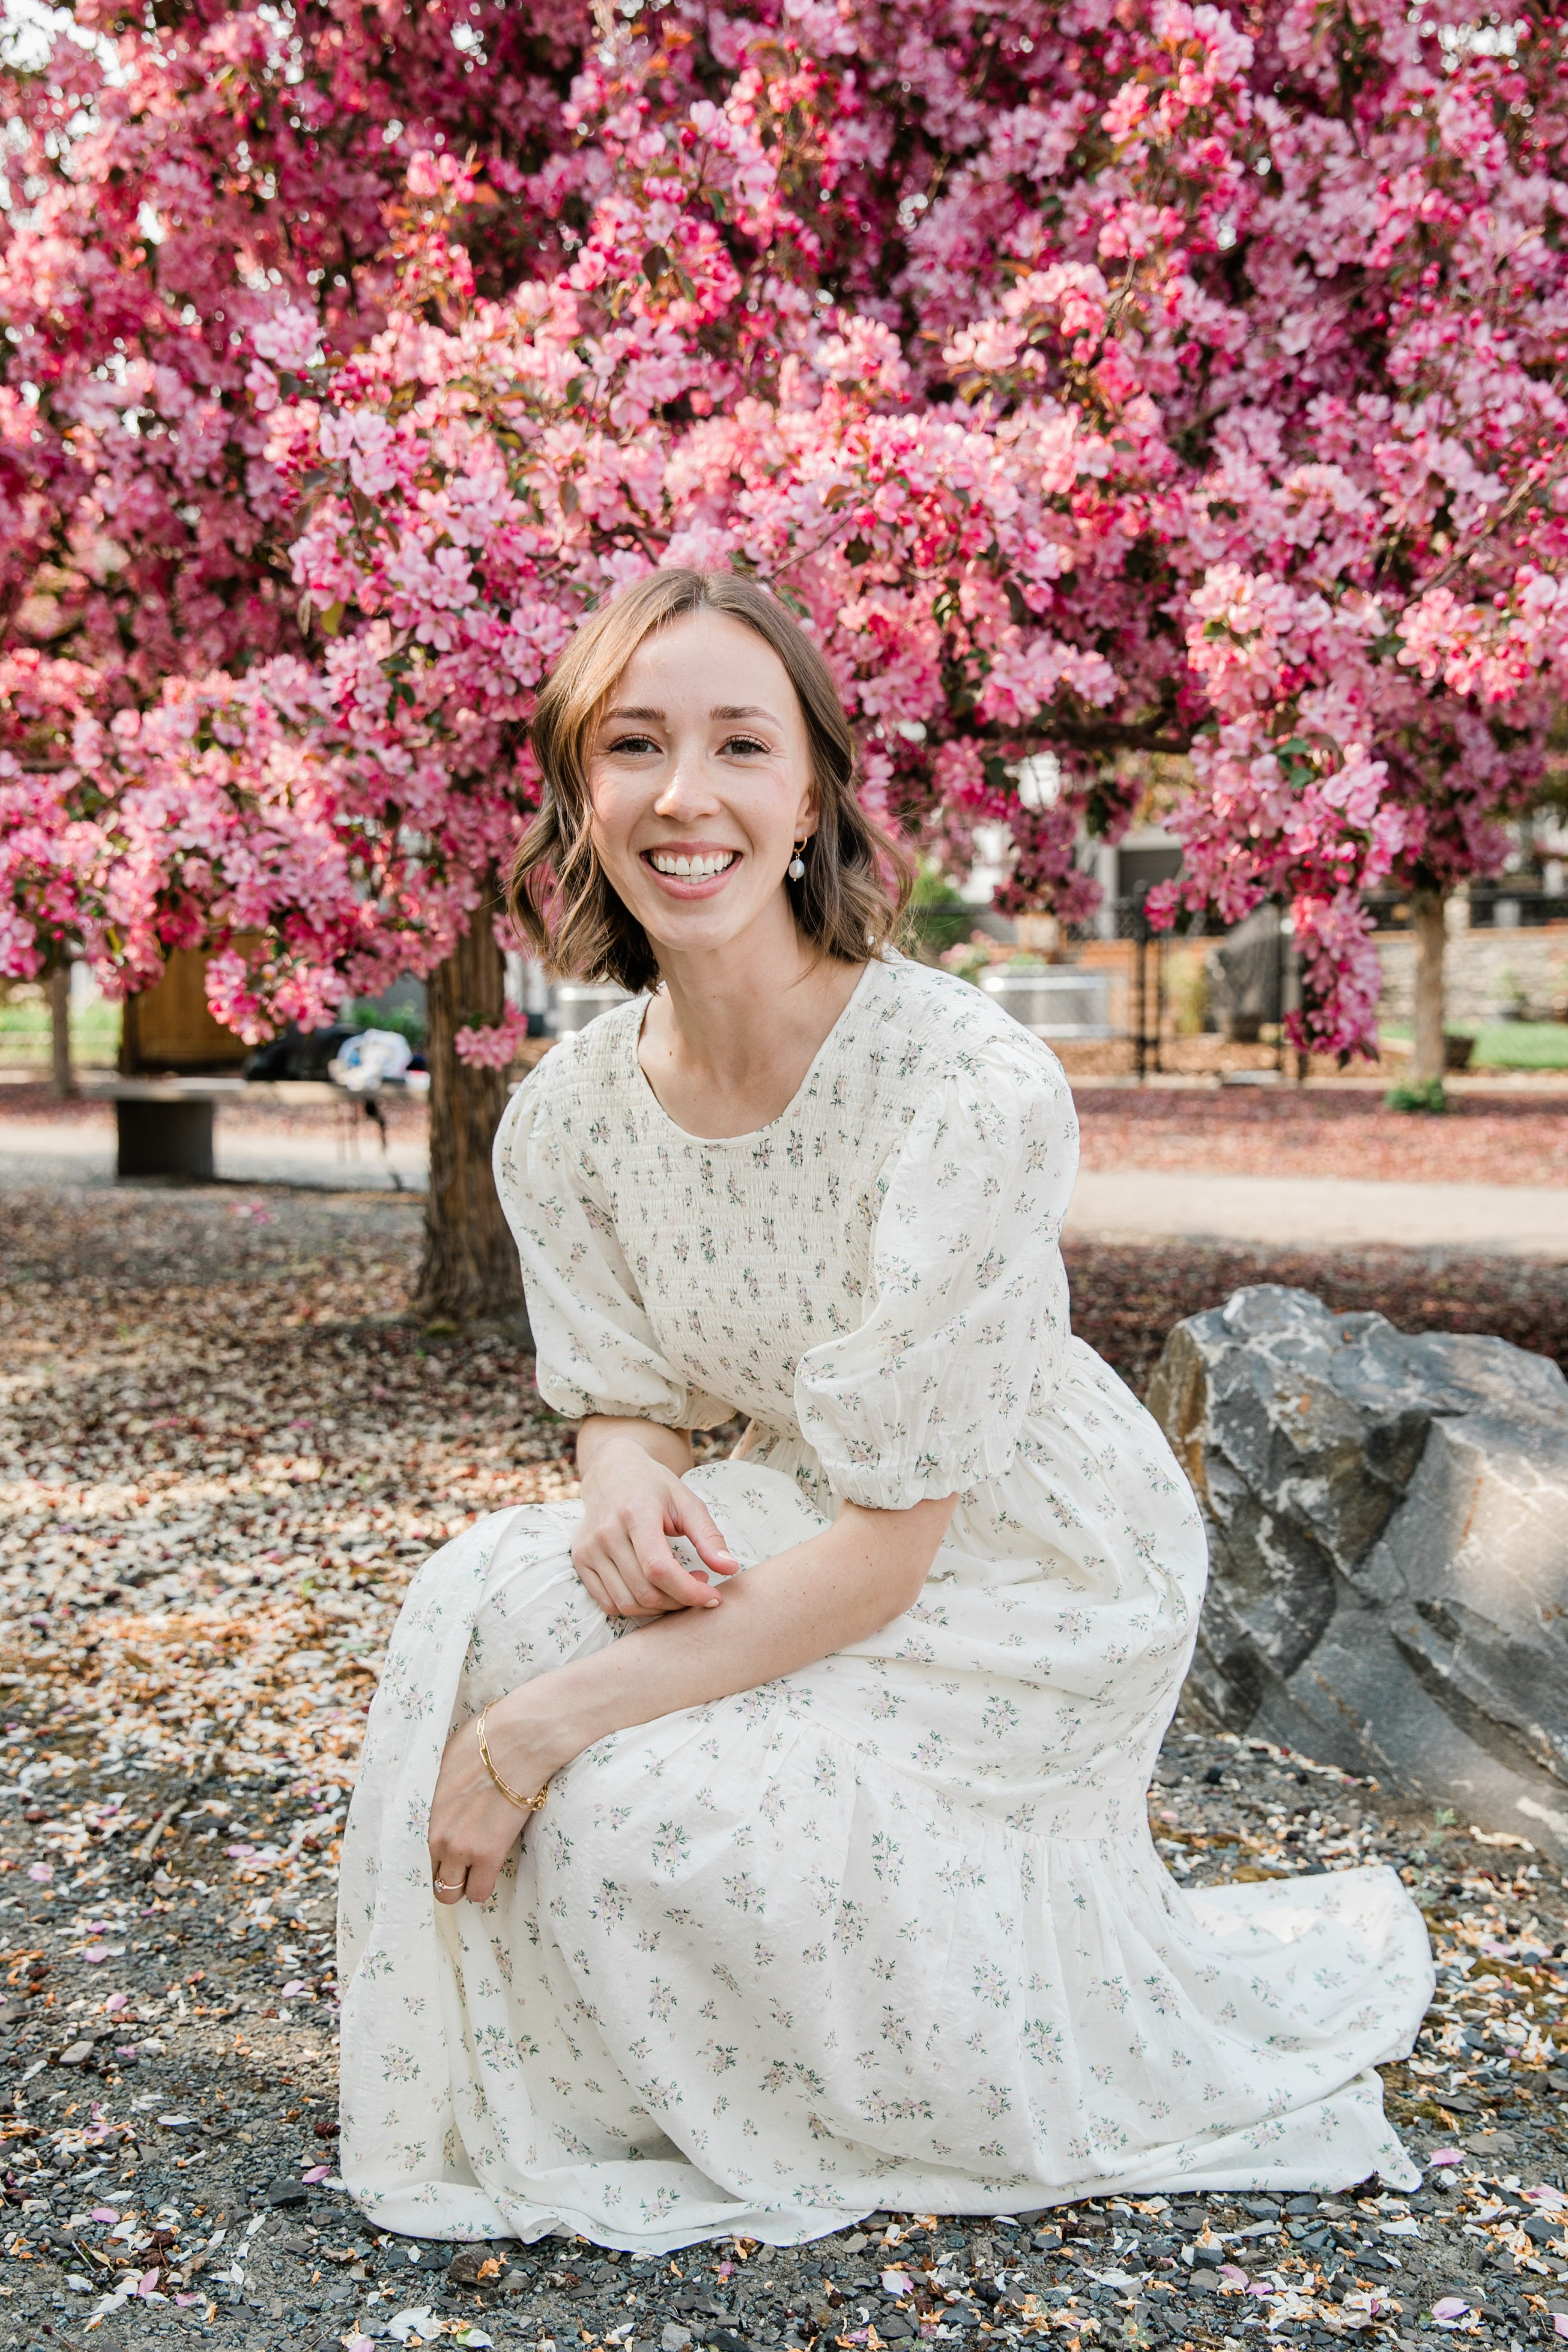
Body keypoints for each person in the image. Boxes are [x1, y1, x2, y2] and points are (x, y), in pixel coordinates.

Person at [337, 568, 1431, 2254]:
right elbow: (627, 1395)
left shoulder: (963, 1085)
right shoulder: (563, 1117)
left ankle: (877, 2061)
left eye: (738, 746)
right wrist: (621, 1474)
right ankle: (623, 2068)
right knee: (479, 1601)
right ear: (578, 790)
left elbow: (888, 1558)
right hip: (805, 1491)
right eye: (634, 745)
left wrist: (542, 1733)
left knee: (613, 1787)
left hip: (1017, 1559)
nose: (682, 796)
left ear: (812, 799)